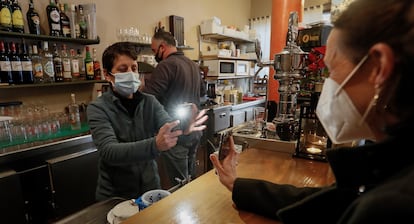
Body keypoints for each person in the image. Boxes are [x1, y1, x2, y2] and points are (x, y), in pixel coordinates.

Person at [210, 0, 414, 223]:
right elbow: (331, 202)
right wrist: (237, 186)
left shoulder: (392, 206)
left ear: (379, 68)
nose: (326, 85)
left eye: (331, 70)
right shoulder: (392, 166)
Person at [87, 41, 208, 201]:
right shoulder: (98, 108)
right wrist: (155, 145)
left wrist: (184, 130)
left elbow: (169, 129)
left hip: (149, 190)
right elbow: (109, 151)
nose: (131, 73)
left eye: (134, 68)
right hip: (115, 196)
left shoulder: (149, 102)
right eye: (123, 69)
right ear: (107, 74)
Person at [142, 31, 203, 186]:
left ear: (162, 47)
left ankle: (185, 209)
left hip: (176, 134)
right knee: (191, 179)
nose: (154, 54)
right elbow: (202, 93)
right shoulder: (192, 64)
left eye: (155, 50)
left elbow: (149, 99)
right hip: (194, 131)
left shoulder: (166, 65)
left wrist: (141, 89)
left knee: (180, 185)